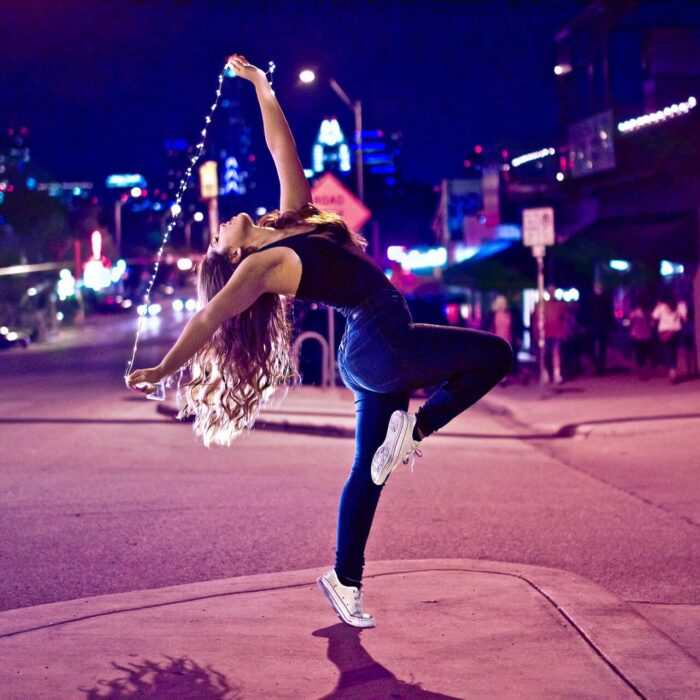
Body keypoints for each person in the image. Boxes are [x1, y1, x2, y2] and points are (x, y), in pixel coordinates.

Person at [126, 54, 512, 629]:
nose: (219, 226)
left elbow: (284, 150)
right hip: (382, 335)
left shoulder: (290, 223)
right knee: (497, 355)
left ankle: (345, 579)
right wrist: (162, 370)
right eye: (216, 238)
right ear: (234, 254)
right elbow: (208, 319)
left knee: (368, 471)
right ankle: (419, 430)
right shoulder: (260, 267)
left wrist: (260, 85)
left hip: (366, 349)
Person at [652, 288, 688, 383]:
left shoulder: (661, 306)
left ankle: (671, 370)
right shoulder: (680, 305)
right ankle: (673, 370)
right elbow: (685, 318)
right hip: (676, 331)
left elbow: (654, 317)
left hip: (664, 332)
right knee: (674, 350)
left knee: (667, 351)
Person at [628, 298, 653, 380]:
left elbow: (630, 323)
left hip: (636, 336)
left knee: (639, 354)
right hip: (646, 335)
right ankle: (644, 370)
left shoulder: (635, 313)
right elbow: (652, 324)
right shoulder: (648, 313)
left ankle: (640, 371)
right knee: (645, 354)